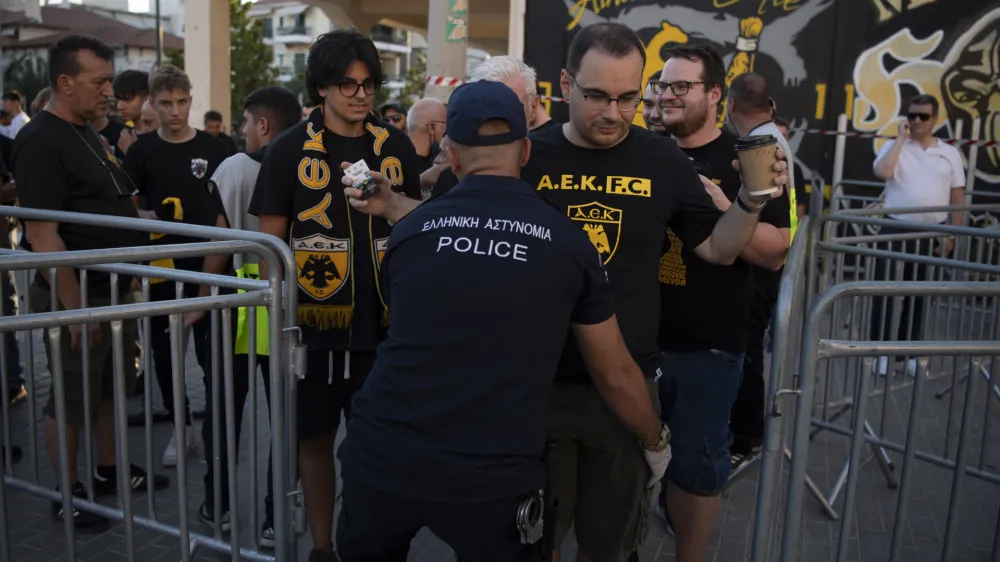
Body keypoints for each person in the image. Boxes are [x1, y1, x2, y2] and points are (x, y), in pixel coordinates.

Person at [342, 24, 789, 562]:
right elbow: (457, 225)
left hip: (623, 392)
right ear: (565, 85)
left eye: (628, 98)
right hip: (535, 390)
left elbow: (718, 250)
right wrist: (392, 206)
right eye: (597, 95)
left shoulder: (663, 159)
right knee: (536, 541)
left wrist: (751, 199)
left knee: (610, 545)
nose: (613, 112)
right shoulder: (528, 151)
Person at [336, 77, 669, 562]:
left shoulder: (410, 234)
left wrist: (393, 207)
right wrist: (654, 438)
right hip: (491, 476)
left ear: (451, 157)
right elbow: (615, 373)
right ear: (527, 152)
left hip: (382, 455)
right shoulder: (570, 244)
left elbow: (441, 250)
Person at [248, 29, 423, 562]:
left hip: (386, 329)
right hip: (315, 333)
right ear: (321, 87)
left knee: (378, 448)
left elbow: (418, 222)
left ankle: (369, 543)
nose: (360, 94)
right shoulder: (288, 149)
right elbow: (268, 247)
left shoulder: (394, 146)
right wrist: (279, 327)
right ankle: (322, 546)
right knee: (314, 440)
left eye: (368, 83)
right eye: (347, 84)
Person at [12, 34, 168, 529]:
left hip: (108, 285)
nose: (109, 90)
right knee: (71, 393)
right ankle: (69, 490)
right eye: (98, 81)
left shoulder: (85, 131)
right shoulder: (40, 138)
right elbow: (42, 232)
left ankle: (106, 473)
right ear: (64, 83)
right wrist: (75, 307)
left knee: (107, 388)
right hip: (76, 290)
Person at [652, 47, 792, 559]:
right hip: (634, 342)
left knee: (696, 470)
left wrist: (730, 210)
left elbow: (777, 251)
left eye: (681, 86)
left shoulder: (750, 158)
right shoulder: (642, 152)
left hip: (707, 348)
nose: (667, 94)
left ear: (715, 94)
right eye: (662, 85)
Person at [123, 65, 232, 492]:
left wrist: (213, 271)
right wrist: (141, 215)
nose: (174, 111)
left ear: (191, 99)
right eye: (165, 103)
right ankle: (180, 425)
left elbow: (224, 209)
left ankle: (212, 432)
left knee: (210, 354)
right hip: (162, 264)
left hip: (206, 264)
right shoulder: (140, 150)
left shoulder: (216, 147)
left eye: (181, 102)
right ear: (153, 102)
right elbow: (130, 203)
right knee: (165, 355)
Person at [206, 85, 301, 548]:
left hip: (236, 313)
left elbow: (220, 246)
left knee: (225, 414)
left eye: (246, 122)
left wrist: (202, 300)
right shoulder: (306, 165)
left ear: (263, 125)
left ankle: (217, 505)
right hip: (287, 315)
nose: (243, 130)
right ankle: (274, 515)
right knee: (284, 422)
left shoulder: (233, 169)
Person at [870, 93, 965, 377]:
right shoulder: (893, 146)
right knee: (883, 291)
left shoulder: (949, 153)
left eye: (923, 116)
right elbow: (882, 171)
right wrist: (901, 139)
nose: (917, 121)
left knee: (919, 292)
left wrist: (953, 235)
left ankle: (908, 352)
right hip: (895, 226)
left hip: (931, 231)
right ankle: (879, 352)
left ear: (935, 119)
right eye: (912, 115)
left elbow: (957, 195)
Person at [429, 56, 542, 199]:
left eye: (512, 103)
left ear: (533, 106)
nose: (498, 114)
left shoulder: (555, 167)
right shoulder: (451, 176)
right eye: (485, 104)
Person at [774, 118, 809, 218]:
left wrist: (794, 231)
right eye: (776, 135)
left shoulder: (794, 169)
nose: (779, 139)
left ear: (788, 139)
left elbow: (799, 204)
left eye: (783, 136)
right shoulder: (753, 164)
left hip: (782, 227)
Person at [405, 97, 446, 174]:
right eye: (445, 123)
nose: (447, 128)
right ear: (432, 127)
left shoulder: (395, 158)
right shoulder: (441, 163)